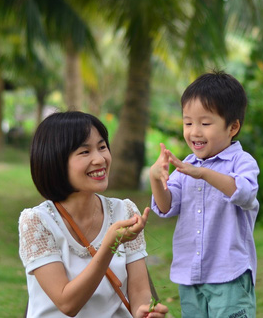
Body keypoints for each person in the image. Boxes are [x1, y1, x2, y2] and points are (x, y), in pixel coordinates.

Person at [18, 111, 168, 318]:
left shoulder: (124, 211)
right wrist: (110, 243)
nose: (100, 159)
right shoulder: (37, 221)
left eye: (102, 147)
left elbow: (139, 291)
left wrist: (144, 311)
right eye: (84, 152)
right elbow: (67, 303)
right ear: (55, 161)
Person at [149, 70, 260, 317]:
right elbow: (167, 207)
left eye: (205, 123)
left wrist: (204, 174)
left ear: (233, 127)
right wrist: (156, 179)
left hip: (229, 274)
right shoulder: (186, 165)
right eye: (188, 122)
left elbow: (244, 194)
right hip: (190, 276)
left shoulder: (242, 162)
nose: (194, 132)